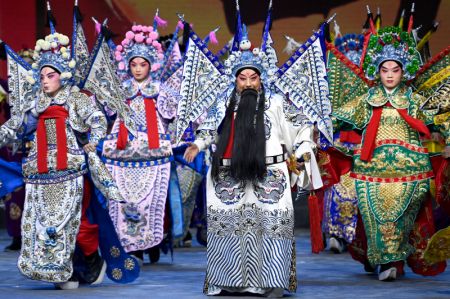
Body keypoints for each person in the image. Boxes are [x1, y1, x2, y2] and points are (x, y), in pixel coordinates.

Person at [183, 25, 322, 296]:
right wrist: (198, 144)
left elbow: (304, 125)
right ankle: (230, 280)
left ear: (261, 79)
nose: (248, 83)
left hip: (270, 174)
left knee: (269, 225)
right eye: (242, 78)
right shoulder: (224, 103)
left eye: (253, 78)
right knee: (229, 224)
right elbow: (209, 130)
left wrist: (304, 149)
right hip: (230, 174)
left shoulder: (277, 103)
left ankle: (271, 281)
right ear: (235, 80)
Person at [332, 25, 448, 281]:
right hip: (369, 167)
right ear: (378, 71)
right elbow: (338, 118)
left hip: (411, 168)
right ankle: (384, 261)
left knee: (402, 215)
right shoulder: (368, 98)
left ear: (403, 71)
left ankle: (392, 260)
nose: (390, 76)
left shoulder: (413, 99)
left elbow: (438, 118)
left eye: (395, 70)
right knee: (375, 213)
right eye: (385, 70)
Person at [0, 32, 108, 288]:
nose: (46, 81)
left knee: (70, 223)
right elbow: (14, 127)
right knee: (43, 225)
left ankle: (80, 265)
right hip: (39, 173)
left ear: (63, 75)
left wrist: (96, 138)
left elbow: (98, 119)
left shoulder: (76, 99)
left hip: (70, 171)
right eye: (42, 76)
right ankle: (60, 272)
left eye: (51, 75)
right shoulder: (34, 103)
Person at [102, 23, 173, 264]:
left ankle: (152, 243)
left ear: (151, 65)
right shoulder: (121, 90)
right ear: (128, 65)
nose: (138, 69)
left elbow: (170, 113)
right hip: (122, 150)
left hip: (153, 150)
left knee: (151, 199)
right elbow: (108, 111)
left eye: (143, 64)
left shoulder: (160, 89)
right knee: (123, 199)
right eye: (134, 64)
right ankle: (129, 246)